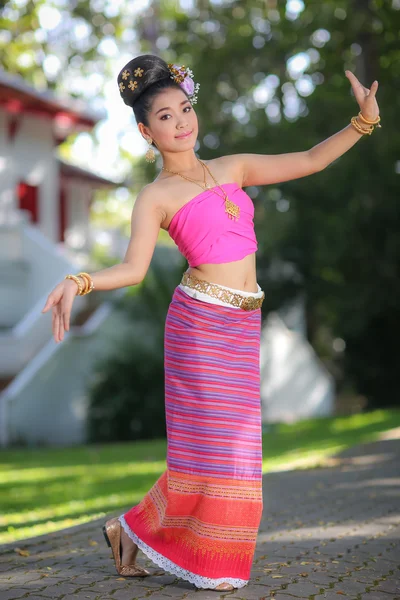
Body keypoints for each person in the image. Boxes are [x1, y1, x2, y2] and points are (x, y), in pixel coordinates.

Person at [41, 54, 380, 591]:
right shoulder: (155, 197)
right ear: (145, 131)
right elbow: (132, 270)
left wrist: (362, 122)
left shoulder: (233, 167)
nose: (181, 123)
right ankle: (207, 560)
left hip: (242, 325)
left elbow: (312, 159)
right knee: (211, 449)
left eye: (185, 109)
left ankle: (128, 529)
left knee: (239, 448)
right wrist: (77, 281)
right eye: (166, 117)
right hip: (199, 326)